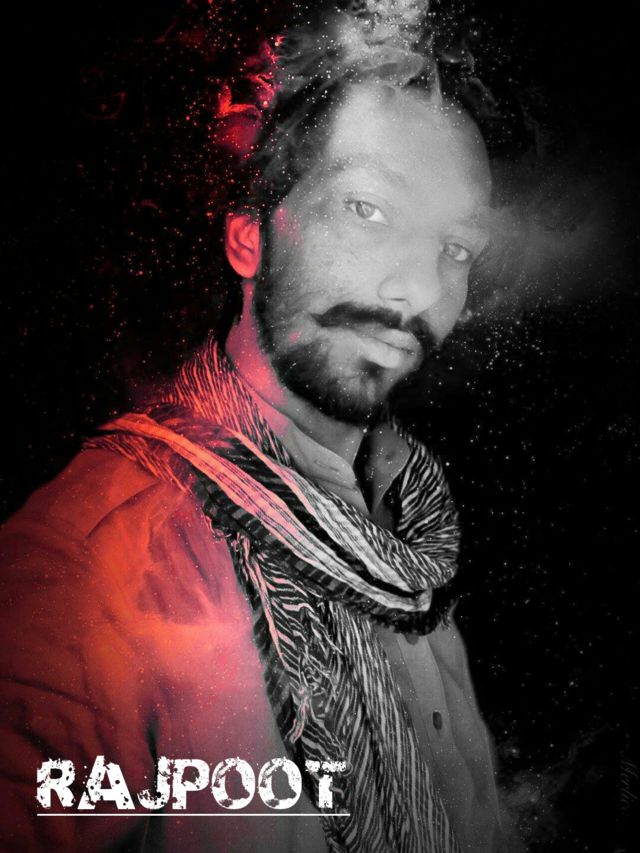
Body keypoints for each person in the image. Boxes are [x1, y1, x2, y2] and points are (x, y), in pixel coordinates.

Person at [0, 4, 520, 852]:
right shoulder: (96, 557)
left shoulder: (406, 537)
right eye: (368, 210)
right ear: (247, 237)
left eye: (456, 248)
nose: (420, 288)